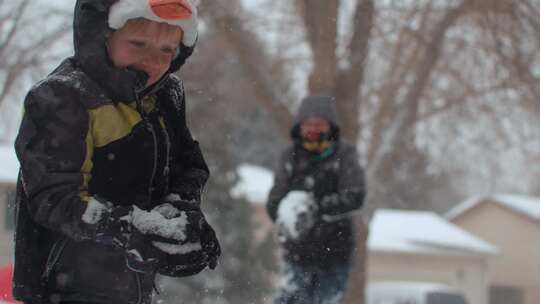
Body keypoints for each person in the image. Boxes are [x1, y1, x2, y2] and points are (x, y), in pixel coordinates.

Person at [13, 0, 221, 303]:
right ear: (100, 35)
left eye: (166, 50)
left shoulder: (165, 96)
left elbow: (188, 167)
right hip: (65, 286)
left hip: (133, 287)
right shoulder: (64, 96)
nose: (152, 60)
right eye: (138, 43)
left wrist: (181, 212)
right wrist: (126, 229)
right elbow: (53, 197)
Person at [267, 96, 366, 304]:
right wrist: (287, 215)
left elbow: (355, 195)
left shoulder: (344, 154)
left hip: (335, 254)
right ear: (299, 126)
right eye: (308, 124)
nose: (313, 129)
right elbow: (274, 200)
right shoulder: (290, 156)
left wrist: (316, 208)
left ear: (330, 126)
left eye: (319, 124)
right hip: (297, 255)